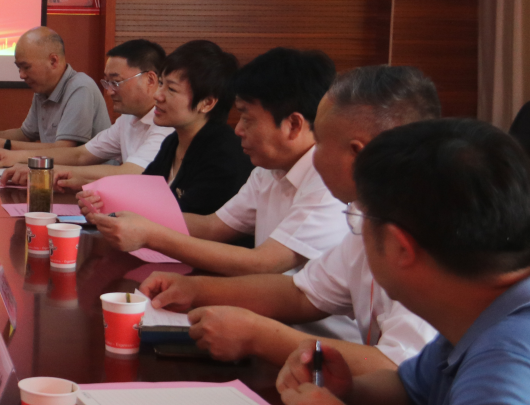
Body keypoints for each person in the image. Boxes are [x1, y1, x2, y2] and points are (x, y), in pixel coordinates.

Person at [277, 119, 530, 405]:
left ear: (399, 246)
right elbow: (414, 404)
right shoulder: (483, 311)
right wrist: (348, 393)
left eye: (360, 217)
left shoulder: (511, 356)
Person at [140, 66, 441, 372]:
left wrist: (258, 336)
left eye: (319, 141)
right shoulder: (367, 216)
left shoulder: (430, 234)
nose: (312, 152)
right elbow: (301, 293)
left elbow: (398, 369)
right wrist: (195, 289)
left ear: (357, 154)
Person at [82, 47, 344, 275]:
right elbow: (213, 226)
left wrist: (150, 235)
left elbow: (263, 263)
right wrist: (117, 213)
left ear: (293, 125)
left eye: (247, 119)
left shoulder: (327, 184)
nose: (238, 129)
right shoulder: (267, 171)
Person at [0, 39, 171, 189]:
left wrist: (43, 171)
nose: (109, 91)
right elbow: (81, 155)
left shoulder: (167, 123)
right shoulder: (128, 119)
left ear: (150, 79)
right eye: (107, 83)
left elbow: (130, 173)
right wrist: (19, 157)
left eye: (116, 82)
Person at [0, 27, 110, 158]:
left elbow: (64, 151)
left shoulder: (80, 88)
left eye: (26, 67)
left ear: (53, 61)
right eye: (19, 68)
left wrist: (1, 145)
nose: (21, 75)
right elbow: (25, 135)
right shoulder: (43, 89)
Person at [139, 40, 251, 216]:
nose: (157, 95)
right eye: (161, 84)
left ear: (206, 103)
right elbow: (141, 193)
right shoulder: (173, 141)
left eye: (171, 89)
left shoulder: (225, 156)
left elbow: (186, 219)